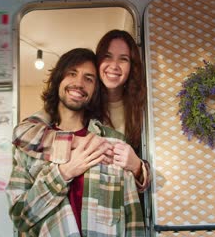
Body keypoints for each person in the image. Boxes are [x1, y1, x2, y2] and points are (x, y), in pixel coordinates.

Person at [7, 48, 146, 237]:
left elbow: (132, 221)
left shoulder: (111, 142)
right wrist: (63, 173)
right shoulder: (30, 147)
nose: (79, 83)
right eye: (72, 73)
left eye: (88, 78)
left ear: (95, 90)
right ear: (58, 79)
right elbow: (20, 216)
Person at [13, 29, 150, 192]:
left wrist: (137, 167)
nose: (114, 65)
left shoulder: (141, 108)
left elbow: (137, 179)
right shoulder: (80, 104)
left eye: (123, 59)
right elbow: (23, 133)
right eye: (107, 56)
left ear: (132, 66)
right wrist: (78, 141)